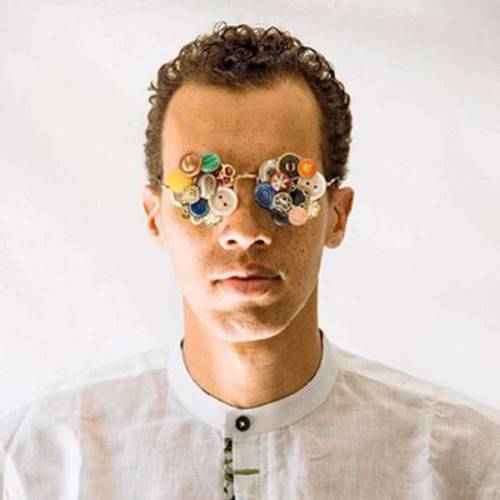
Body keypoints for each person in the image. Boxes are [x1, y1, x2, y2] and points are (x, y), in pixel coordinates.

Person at [1, 21, 499, 500]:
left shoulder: (466, 466)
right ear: (156, 217)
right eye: (201, 189)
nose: (244, 229)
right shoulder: (40, 462)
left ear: (337, 215)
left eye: (286, 186)